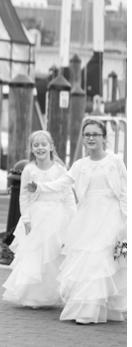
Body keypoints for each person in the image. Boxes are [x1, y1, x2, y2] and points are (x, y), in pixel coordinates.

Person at [57, 119, 127, 324]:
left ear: (104, 137)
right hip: (87, 218)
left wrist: (126, 220)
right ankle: (86, 308)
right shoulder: (80, 165)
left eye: (95, 134)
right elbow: (63, 182)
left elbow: (124, 192)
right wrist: (40, 187)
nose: (91, 138)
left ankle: (108, 308)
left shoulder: (115, 162)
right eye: (87, 134)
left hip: (112, 217)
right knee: (87, 260)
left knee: (108, 261)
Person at [2, 131, 75, 308]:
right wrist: (26, 219)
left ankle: (53, 294)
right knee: (35, 254)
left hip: (57, 215)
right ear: (32, 149)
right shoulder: (29, 170)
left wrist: (73, 217)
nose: (40, 148)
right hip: (37, 215)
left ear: (51, 146)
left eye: (44, 144)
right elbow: (24, 197)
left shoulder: (60, 169)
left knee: (53, 255)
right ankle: (33, 296)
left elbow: (68, 194)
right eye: (36, 145)